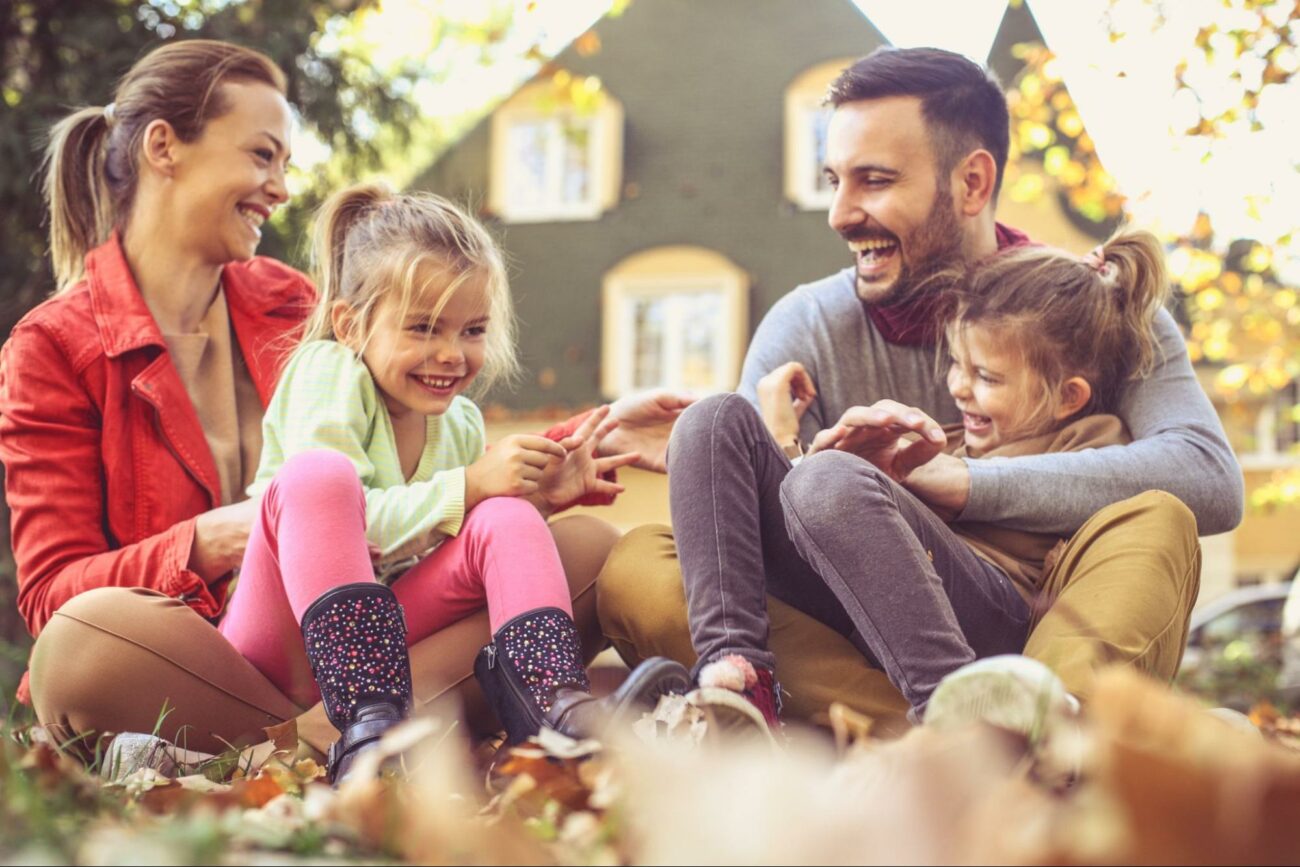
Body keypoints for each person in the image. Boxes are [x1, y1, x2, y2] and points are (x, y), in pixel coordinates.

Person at [0, 39, 681, 762]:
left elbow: (428, 415)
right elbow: (51, 593)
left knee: (582, 548)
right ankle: (343, 734)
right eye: (263, 156)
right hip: (216, 651)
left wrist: (589, 437)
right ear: (164, 148)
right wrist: (217, 535)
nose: (283, 187)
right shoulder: (52, 347)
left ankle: (336, 740)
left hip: (382, 629)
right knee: (79, 641)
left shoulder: (296, 304)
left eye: (287, 165)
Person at [598, 47, 1240, 734]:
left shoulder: (1092, 314)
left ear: (971, 183)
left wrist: (961, 482)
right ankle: (985, 737)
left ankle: (1021, 724)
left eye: (873, 181)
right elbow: (759, 543)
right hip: (859, 644)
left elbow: (1206, 477)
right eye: (834, 180)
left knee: (1156, 519)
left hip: (1032, 620)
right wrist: (795, 452)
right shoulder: (807, 323)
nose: (840, 214)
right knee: (642, 561)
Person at [229, 183, 688, 779]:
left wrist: (530, 500)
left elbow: (453, 555)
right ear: (349, 324)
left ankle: (551, 709)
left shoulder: (462, 422)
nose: (451, 353)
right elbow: (344, 530)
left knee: (508, 518)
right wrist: (471, 487)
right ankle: (366, 731)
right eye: (423, 328)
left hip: (389, 644)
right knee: (321, 476)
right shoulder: (327, 372)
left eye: (472, 331)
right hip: (285, 632)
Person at [678, 229, 1169, 727]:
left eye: (988, 378)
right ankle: (739, 680)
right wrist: (793, 449)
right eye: (957, 364)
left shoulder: (1094, 442)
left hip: (992, 615)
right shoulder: (953, 438)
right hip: (873, 608)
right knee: (714, 419)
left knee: (829, 480)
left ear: (1069, 397)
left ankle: (955, 711)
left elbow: (1111, 509)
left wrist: (925, 482)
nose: (958, 388)